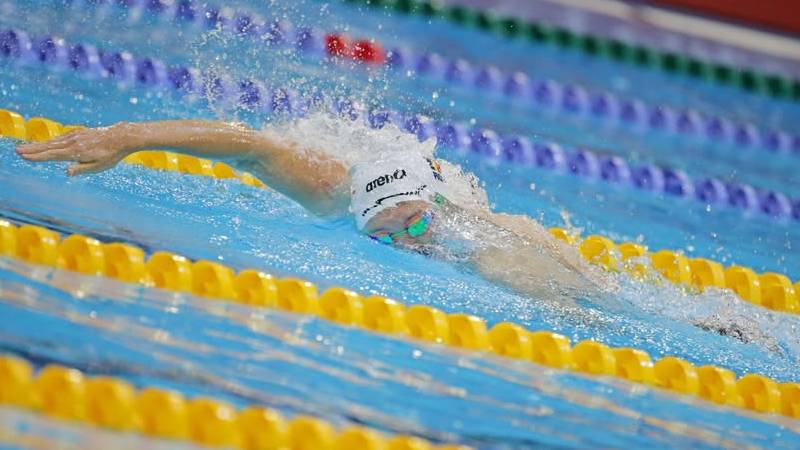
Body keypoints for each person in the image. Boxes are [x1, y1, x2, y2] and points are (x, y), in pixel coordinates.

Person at [16, 118, 613, 302]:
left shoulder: (482, 229)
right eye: (383, 237)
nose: (411, 246)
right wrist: (133, 135)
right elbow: (252, 146)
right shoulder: (333, 196)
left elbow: (601, 292)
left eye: (417, 225)